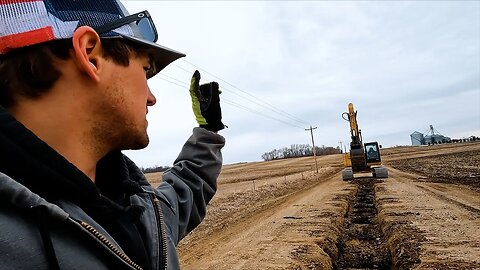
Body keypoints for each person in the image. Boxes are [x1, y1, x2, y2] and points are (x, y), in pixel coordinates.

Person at [0, 0, 225, 269]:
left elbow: (183, 193)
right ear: (90, 54)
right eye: (145, 69)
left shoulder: (128, 207)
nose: (151, 98)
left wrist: (208, 130)